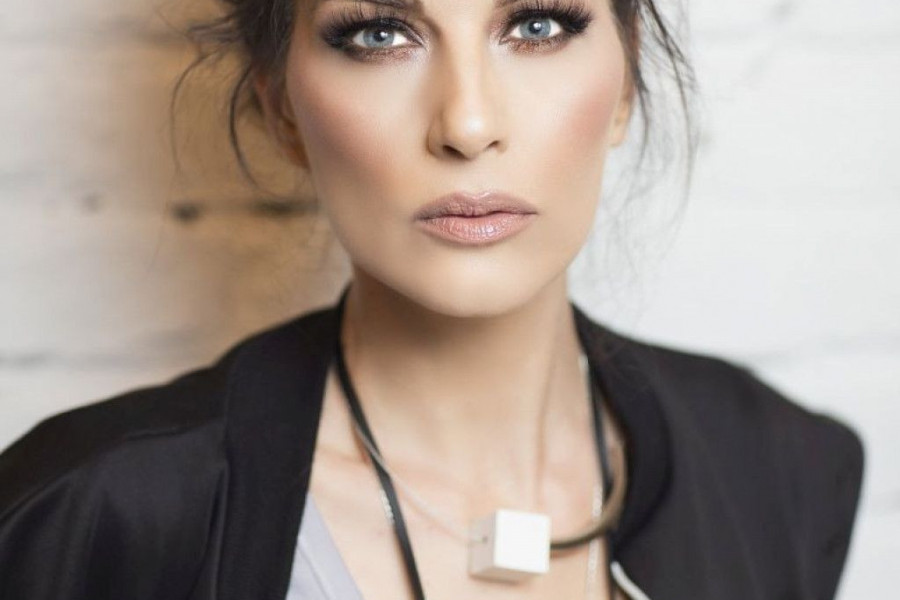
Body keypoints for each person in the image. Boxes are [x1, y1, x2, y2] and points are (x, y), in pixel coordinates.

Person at [0, 0, 864, 599]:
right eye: (380, 34)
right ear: (282, 106)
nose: (467, 123)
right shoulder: (88, 515)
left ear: (627, 81)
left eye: (536, 25)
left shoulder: (784, 471)